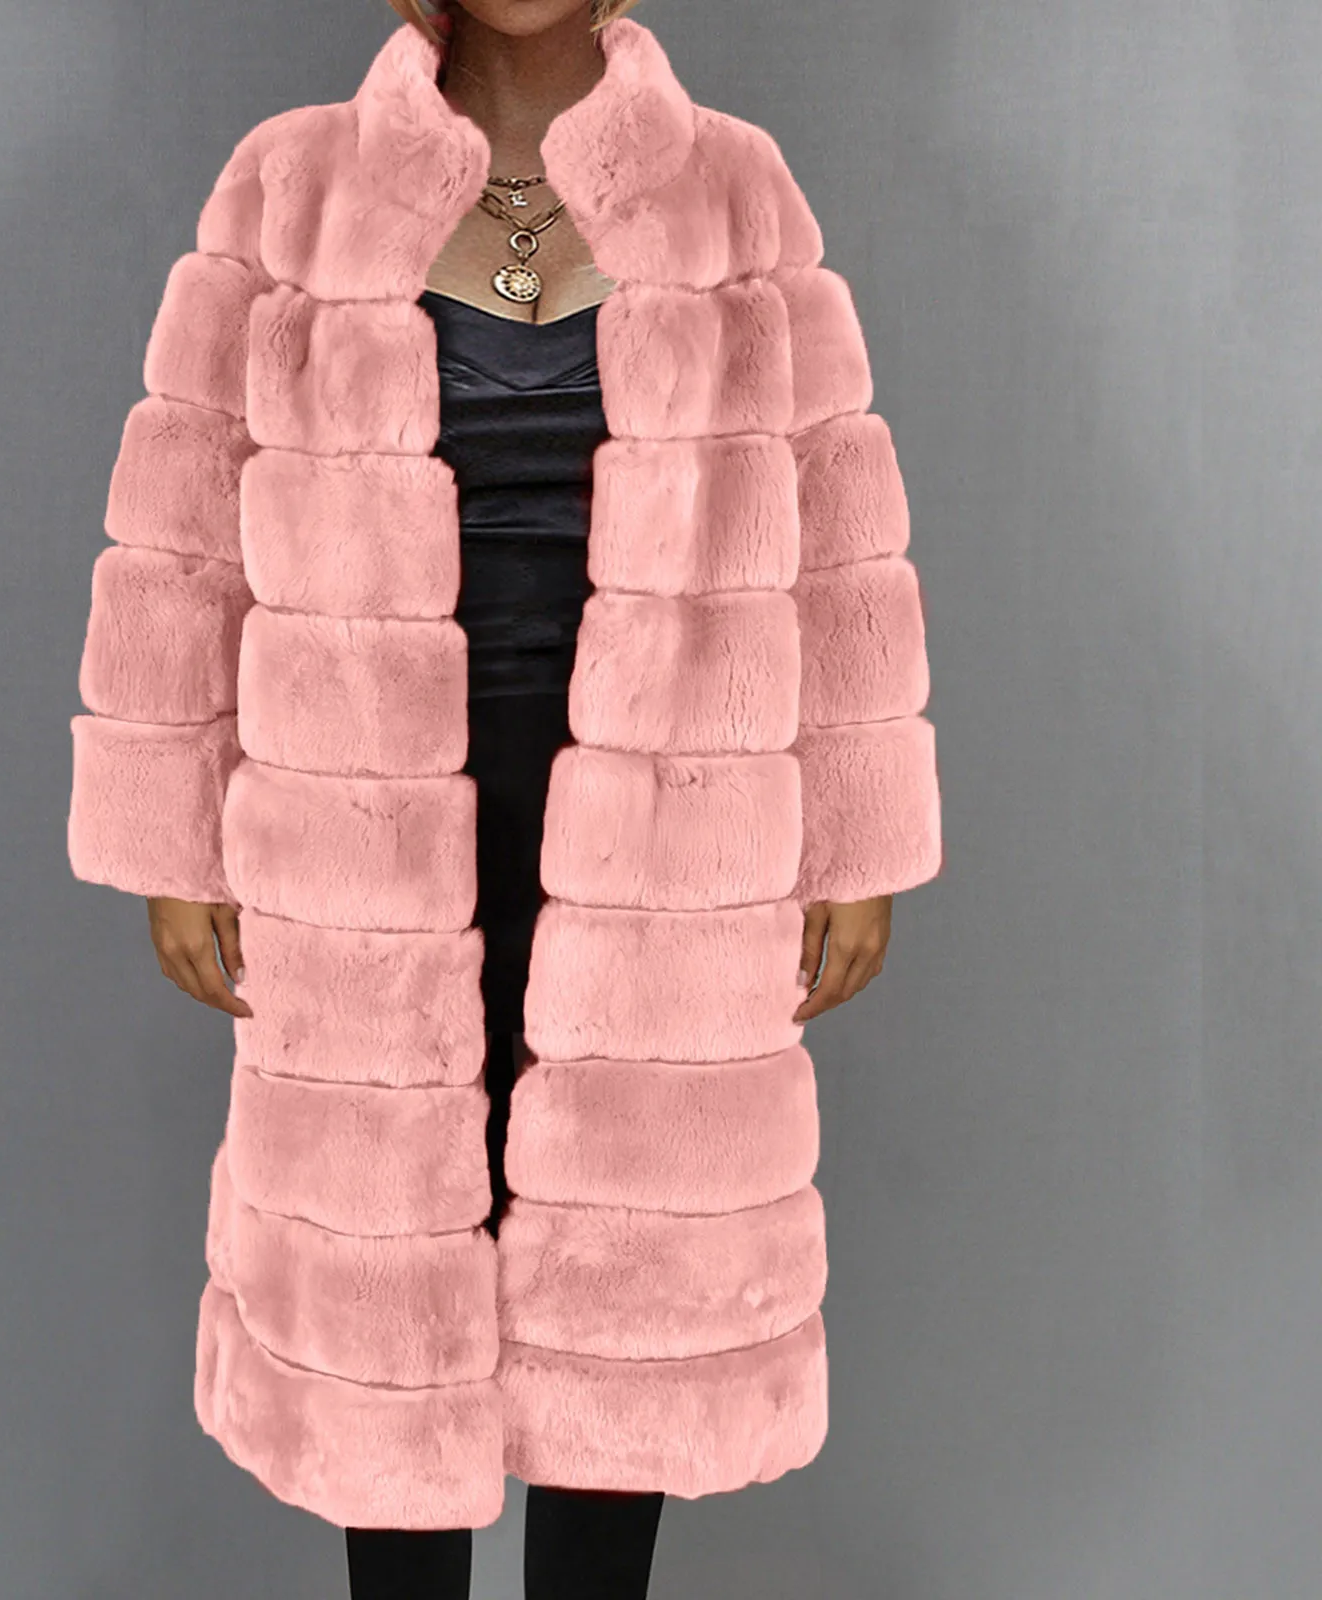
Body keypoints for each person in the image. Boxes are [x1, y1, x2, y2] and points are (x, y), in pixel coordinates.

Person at [68, 1, 942, 1594]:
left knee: (629, 1294)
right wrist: (168, 830)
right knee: (388, 1298)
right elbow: (180, 531)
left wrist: (862, 829)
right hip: (359, 845)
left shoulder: (737, 190)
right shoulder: (290, 188)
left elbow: (837, 520)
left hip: (676, 841)